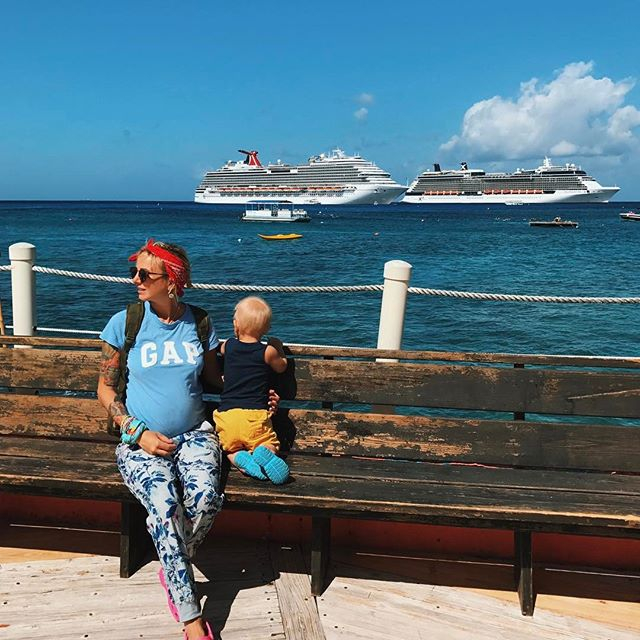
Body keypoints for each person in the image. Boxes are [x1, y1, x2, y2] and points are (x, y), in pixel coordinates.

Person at [98, 239, 277, 640]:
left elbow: (215, 379)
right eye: (134, 272)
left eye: (145, 274)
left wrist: (254, 393)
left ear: (172, 280)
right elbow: (105, 389)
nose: (135, 280)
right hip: (140, 441)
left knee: (206, 499)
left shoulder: (200, 323)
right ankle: (191, 617)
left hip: (195, 434)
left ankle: (171, 560)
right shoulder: (125, 323)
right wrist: (137, 432)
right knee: (165, 508)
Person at [213, 296, 290, 484]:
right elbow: (282, 366)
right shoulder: (267, 352)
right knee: (269, 443)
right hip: (254, 417)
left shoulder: (229, 345)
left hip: (227, 417)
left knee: (230, 449)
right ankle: (264, 452)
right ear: (266, 329)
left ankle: (240, 459)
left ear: (236, 325)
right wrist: (277, 346)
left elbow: (220, 350)